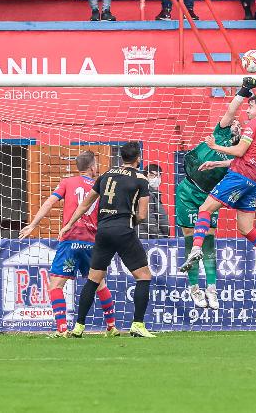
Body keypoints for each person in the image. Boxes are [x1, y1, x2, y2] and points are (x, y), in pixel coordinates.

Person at [180, 79, 256, 288]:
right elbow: (247, 157)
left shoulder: (254, 124)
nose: (247, 111)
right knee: (246, 228)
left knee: (205, 208)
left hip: (239, 177)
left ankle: (195, 250)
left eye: (250, 107)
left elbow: (240, 152)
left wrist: (215, 146)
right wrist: (217, 162)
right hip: (254, 181)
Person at [18, 149, 120, 335]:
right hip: (92, 242)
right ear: (92, 167)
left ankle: (62, 329)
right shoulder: (101, 185)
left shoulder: (67, 182)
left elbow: (49, 202)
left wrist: (33, 224)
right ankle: (112, 326)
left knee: (56, 285)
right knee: (100, 284)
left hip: (70, 240)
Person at [58, 143, 154, 338]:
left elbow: (85, 204)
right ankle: (137, 325)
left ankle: (79, 326)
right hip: (123, 231)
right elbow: (142, 215)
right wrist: (128, 221)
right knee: (143, 276)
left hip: (102, 231)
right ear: (138, 158)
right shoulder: (141, 179)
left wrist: (68, 224)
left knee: (93, 280)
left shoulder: (105, 176)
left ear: (120, 157)